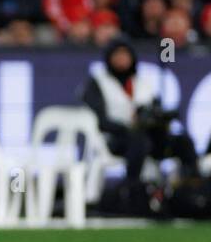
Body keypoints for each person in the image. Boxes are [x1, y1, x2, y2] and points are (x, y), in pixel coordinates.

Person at [82, 37, 199, 187]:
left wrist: (160, 117)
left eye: (125, 54)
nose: (122, 59)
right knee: (139, 141)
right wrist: (129, 127)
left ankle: (191, 186)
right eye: (117, 54)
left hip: (147, 136)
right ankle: (132, 187)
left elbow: (155, 109)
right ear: (109, 57)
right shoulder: (98, 82)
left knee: (182, 142)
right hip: (115, 138)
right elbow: (100, 120)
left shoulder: (142, 82)